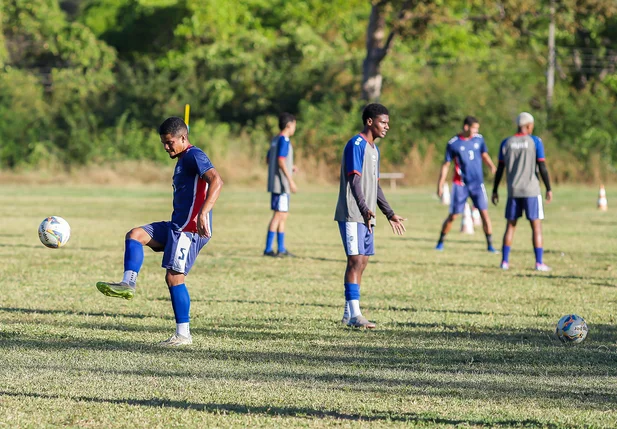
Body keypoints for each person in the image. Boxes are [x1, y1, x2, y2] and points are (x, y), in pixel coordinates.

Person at [96, 117, 224, 346]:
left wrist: (204, 213)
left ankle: (183, 335)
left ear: (183, 138)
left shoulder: (195, 155)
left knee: (174, 277)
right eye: (163, 143)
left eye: (169, 142)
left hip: (190, 229)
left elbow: (217, 181)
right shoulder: (182, 159)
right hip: (176, 226)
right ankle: (128, 283)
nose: (166, 147)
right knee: (135, 235)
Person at [334, 103, 406, 329]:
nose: (387, 126)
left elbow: (376, 186)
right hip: (354, 213)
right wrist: (364, 208)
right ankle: (355, 316)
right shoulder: (356, 144)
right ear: (369, 122)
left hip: (367, 214)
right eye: (383, 122)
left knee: (362, 262)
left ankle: (349, 313)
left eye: (387, 122)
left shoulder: (375, 150)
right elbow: (354, 180)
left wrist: (389, 213)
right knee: (355, 260)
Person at [492, 112, 552, 271]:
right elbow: (542, 167)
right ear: (529, 125)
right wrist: (549, 188)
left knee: (510, 226)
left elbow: (500, 169)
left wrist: (495, 189)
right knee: (536, 226)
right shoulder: (535, 141)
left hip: (513, 190)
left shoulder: (507, 143)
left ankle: (504, 262)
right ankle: (539, 263)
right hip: (531, 190)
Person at [435, 116, 498, 252]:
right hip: (460, 184)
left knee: (484, 214)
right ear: (466, 127)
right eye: (474, 128)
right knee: (453, 215)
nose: (476, 131)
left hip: (477, 184)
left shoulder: (479, 139)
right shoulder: (454, 143)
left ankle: (490, 245)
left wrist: (492, 166)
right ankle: (440, 241)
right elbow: (446, 165)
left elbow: (484, 155)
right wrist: (440, 184)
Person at [264, 112, 297, 257]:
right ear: (289, 125)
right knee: (279, 215)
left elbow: (268, 159)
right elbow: (281, 160)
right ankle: (268, 249)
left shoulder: (275, 139)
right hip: (282, 185)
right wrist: (290, 180)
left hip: (276, 183)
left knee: (283, 214)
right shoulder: (284, 140)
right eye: (295, 125)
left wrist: (291, 166)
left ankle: (281, 248)